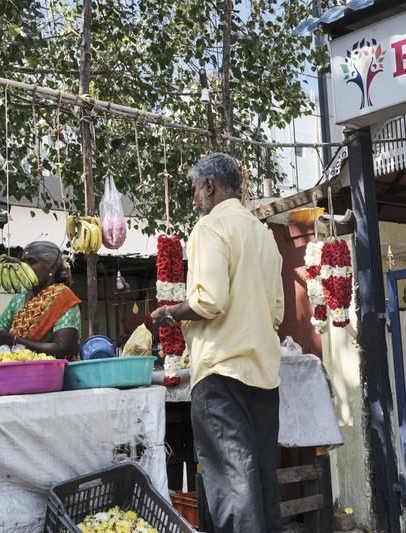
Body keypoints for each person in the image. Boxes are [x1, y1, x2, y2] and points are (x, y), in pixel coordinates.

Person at [151, 153, 284, 533]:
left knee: (233, 489)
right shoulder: (263, 235)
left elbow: (210, 300)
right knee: (259, 483)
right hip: (263, 377)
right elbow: (277, 313)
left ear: (209, 186)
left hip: (221, 375)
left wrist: (171, 312)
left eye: (196, 189)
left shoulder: (210, 228)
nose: (195, 199)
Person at [0, 241, 81, 359]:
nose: (24, 267)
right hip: (16, 369)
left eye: (31, 262)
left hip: (51, 373)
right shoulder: (19, 298)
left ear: (53, 268)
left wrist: (15, 340)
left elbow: (63, 350)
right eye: (23, 262)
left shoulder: (64, 299)